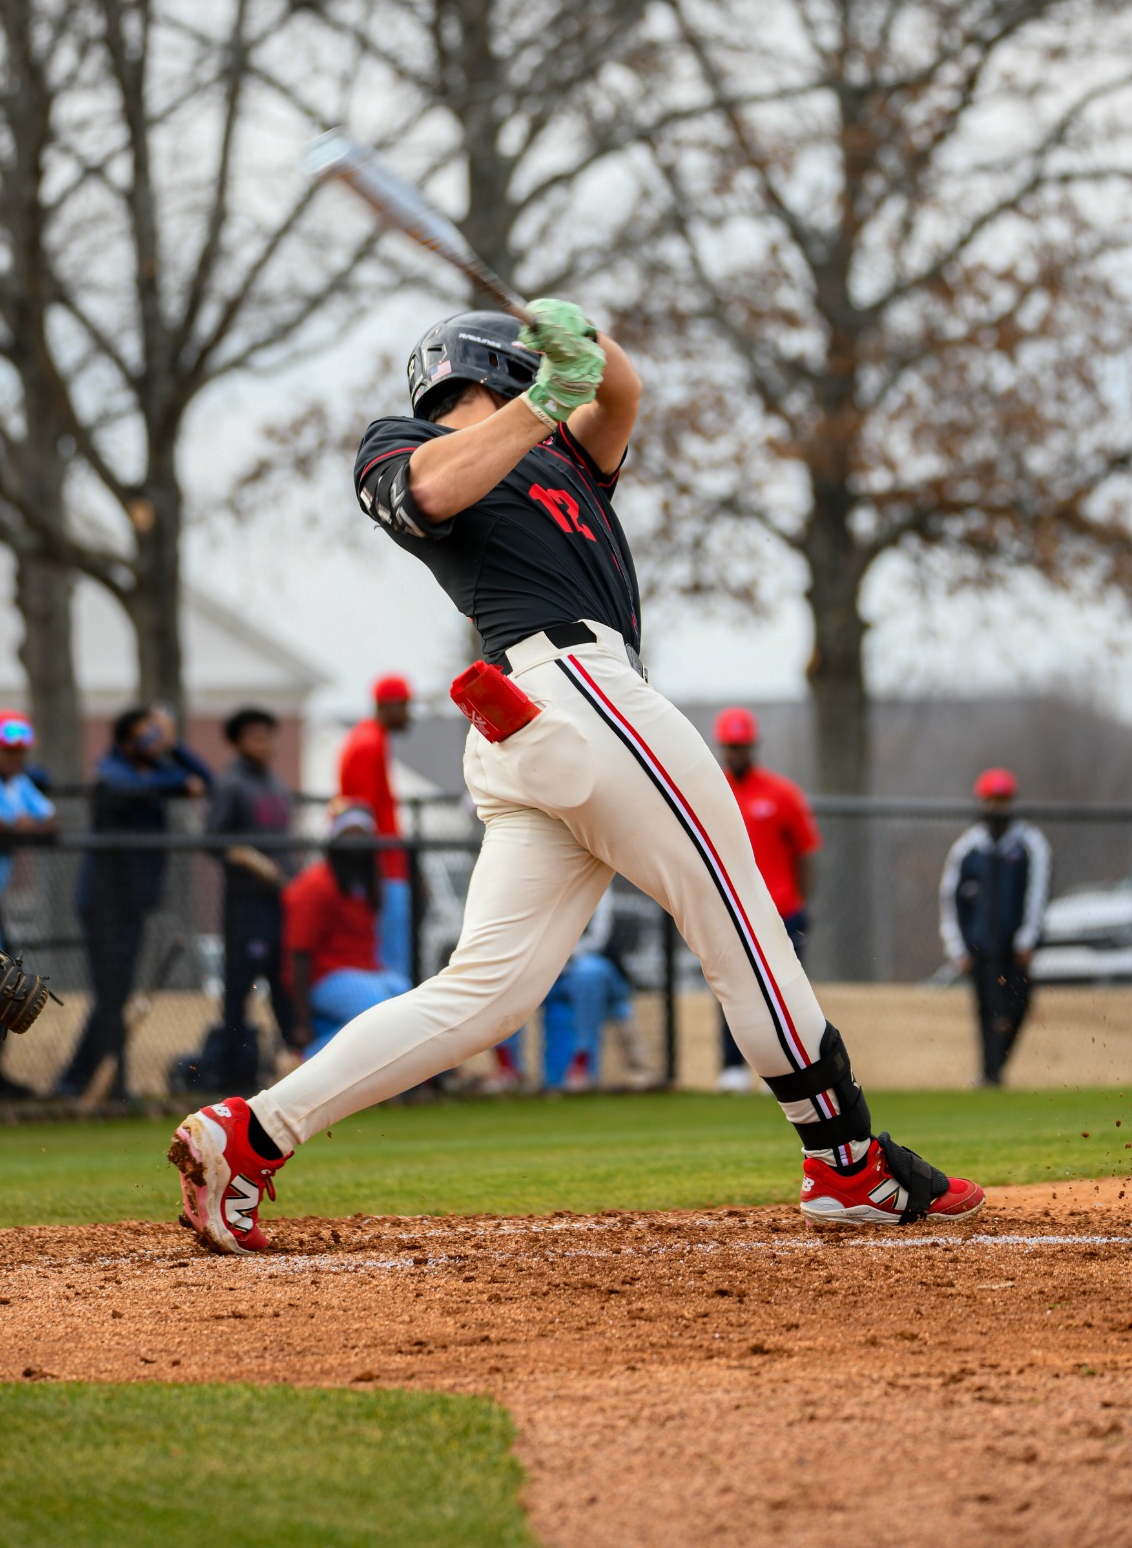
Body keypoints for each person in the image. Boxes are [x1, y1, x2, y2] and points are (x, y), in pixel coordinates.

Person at [171, 301, 982, 1251]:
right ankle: (846, 1163)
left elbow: (622, 391)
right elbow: (429, 491)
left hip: (551, 725)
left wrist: (582, 336)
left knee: (488, 994)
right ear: (501, 373)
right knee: (738, 919)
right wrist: (540, 395)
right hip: (571, 693)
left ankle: (251, 1134)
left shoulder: (562, 457)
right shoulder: (405, 439)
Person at [58, 705, 212, 1102]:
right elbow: (125, 788)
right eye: (148, 733)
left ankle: (79, 1076)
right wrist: (175, 781)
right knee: (111, 992)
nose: (154, 740)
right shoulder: (113, 770)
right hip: (103, 900)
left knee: (117, 993)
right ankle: (105, 1082)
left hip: (135, 901)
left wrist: (174, 747)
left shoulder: (159, 770)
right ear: (129, 737)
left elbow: (206, 781)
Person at [711, 706, 821, 1094]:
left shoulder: (782, 793)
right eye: (730, 746)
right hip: (734, 912)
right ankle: (732, 1068)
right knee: (734, 989)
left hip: (783, 911)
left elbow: (806, 851)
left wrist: (801, 903)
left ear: (751, 745)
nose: (736, 752)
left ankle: (793, 1067)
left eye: (742, 745)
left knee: (788, 991)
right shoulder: (712, 790)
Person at [0, 711, 56, 1099]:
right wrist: (17, 824)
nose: (15, 757)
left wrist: (9, 823)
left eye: (20, 750)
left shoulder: (16, 783)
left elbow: (51, 826)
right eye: (6, 749)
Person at [939, 767, 1051, 1088]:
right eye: (991, 799)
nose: (996, 807)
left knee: (1018, 1004)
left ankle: (994, 1067)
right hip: (980, 948)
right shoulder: (967, 849)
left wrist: (1029, 938)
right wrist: (957, 947)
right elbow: (950, 899)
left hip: (1016, 948)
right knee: (988, 1011)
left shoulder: (1030, 844)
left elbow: (1037, 893)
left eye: (1002, 799)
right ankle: (991, 1076)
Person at [207, 707, 297, 1089]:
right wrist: (252, 860)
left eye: (268, 735)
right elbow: (214, 839)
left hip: (280, 900)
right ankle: (234, 1072)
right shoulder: (232, 785)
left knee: (283, 981)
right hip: (246, 904)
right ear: (239, 742)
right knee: (240, 987)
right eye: (256, 736)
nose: (265, 744)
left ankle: (291, 1060)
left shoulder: (274, 783)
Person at [282, 804, 409, 1057]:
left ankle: (426, 1078)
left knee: (411, 998)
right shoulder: (316, 884)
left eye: (363, 834)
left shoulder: (369, 881)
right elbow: (299, 955)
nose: (357, 843)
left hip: (369, 971)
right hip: (327, 976)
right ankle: (308, 1058)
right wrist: (302, 1022)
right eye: (350, 834)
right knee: (378, 1010)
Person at [338, 676, 413, 982]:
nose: (409, 714)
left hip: (383, 866)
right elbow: (362, 816)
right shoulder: (369, 742)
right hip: (382, 869)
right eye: (405, 706)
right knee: (391, 966)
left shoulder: (367, 737)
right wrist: (373, 873)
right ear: (388, 706)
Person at [542, 890, 649, 1092]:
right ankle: (508, 1069)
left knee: (589, 974)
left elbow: (598, 939)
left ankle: (581, 1063)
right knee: (505, 973)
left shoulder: (600, 886)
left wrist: (559, 958)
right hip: (546, 970)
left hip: (594, 972)